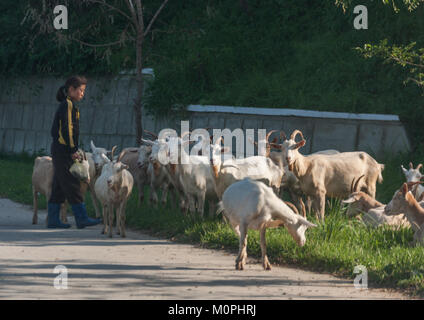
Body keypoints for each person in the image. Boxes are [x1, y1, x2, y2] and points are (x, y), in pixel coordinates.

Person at [47, 75, 100, 229]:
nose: (82, 94)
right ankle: (82, 218)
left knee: (58, 184)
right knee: (72, 183)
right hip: (63, 151)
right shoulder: (68, 105)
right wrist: (72, 150)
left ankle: (53, 220)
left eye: (84, 91)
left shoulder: (69, 105)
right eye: (81, 90)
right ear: (71, 89)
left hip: (60, 150)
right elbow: (68, 130)